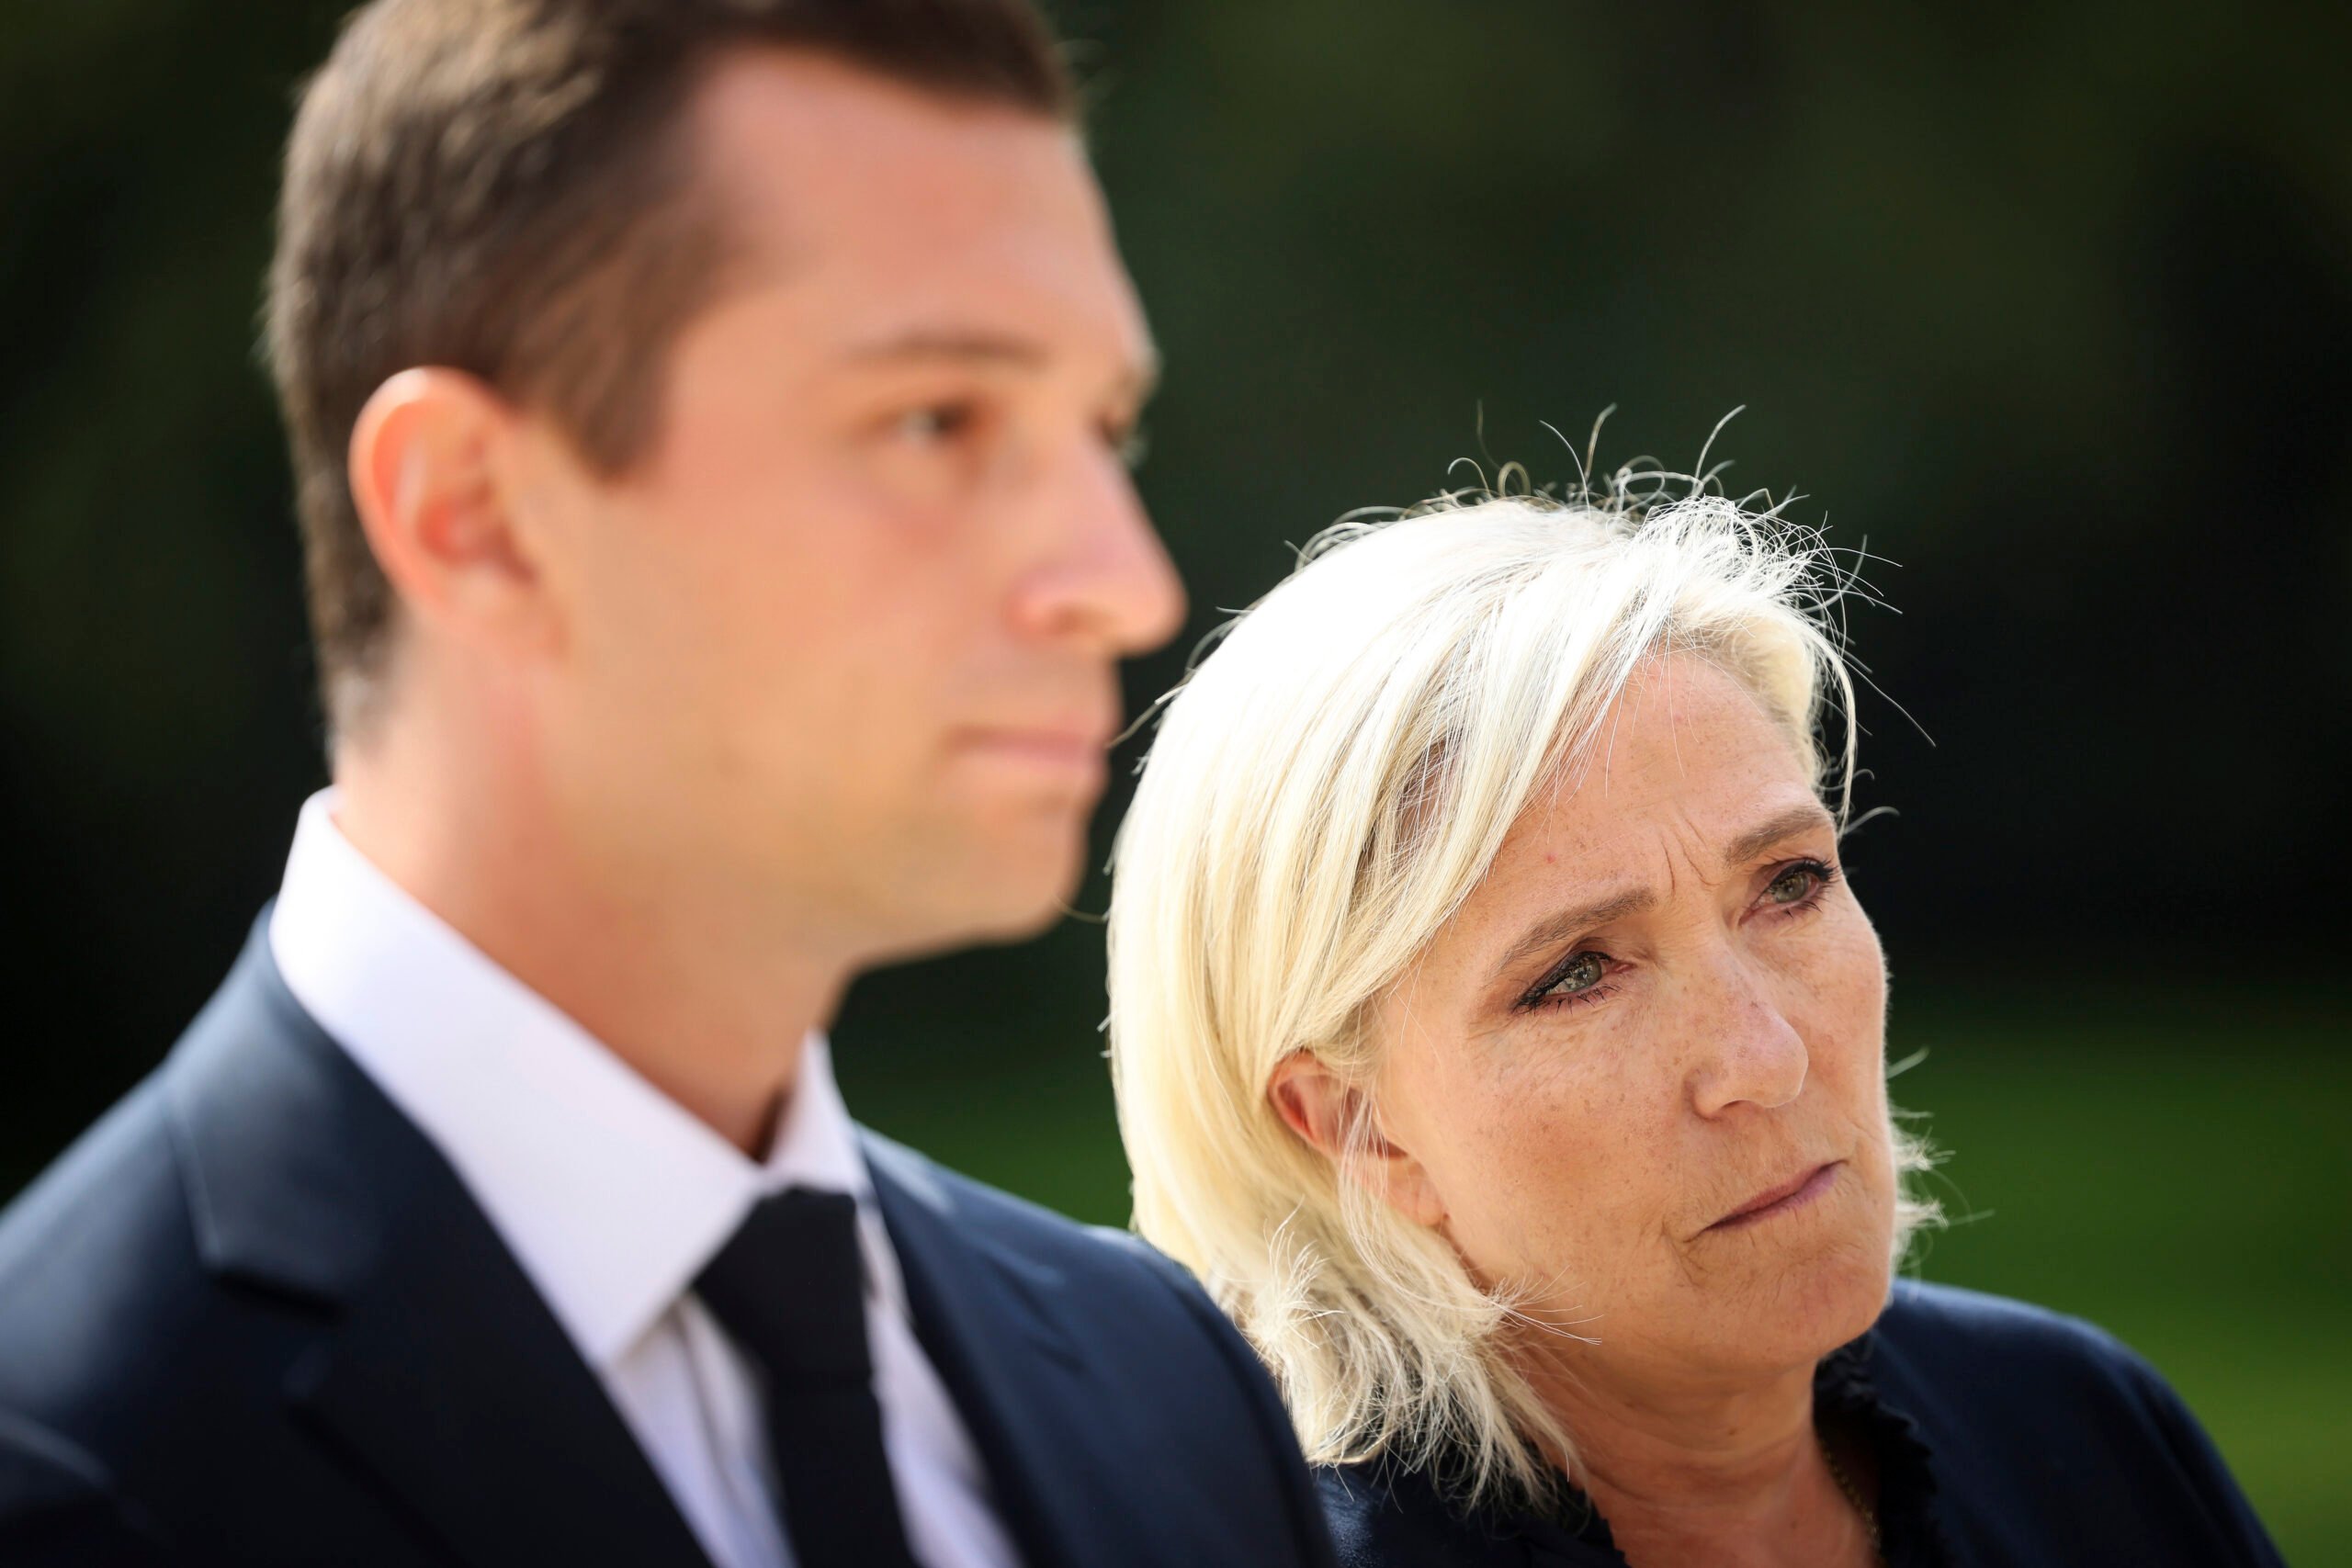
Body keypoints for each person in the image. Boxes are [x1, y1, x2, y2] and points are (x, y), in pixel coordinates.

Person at [0, 4, 1340, 1565]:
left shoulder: (1169, 1385)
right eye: (938, 419)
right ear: (475, 515)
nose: (1126, 582)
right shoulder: (65, 1470)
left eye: (1103, 430)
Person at [1104, 480, 2286, 1566]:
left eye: (1788, 884)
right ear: (1358, 1126)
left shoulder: (2073, 1431)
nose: (1765, 1060)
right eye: (1576, 975)